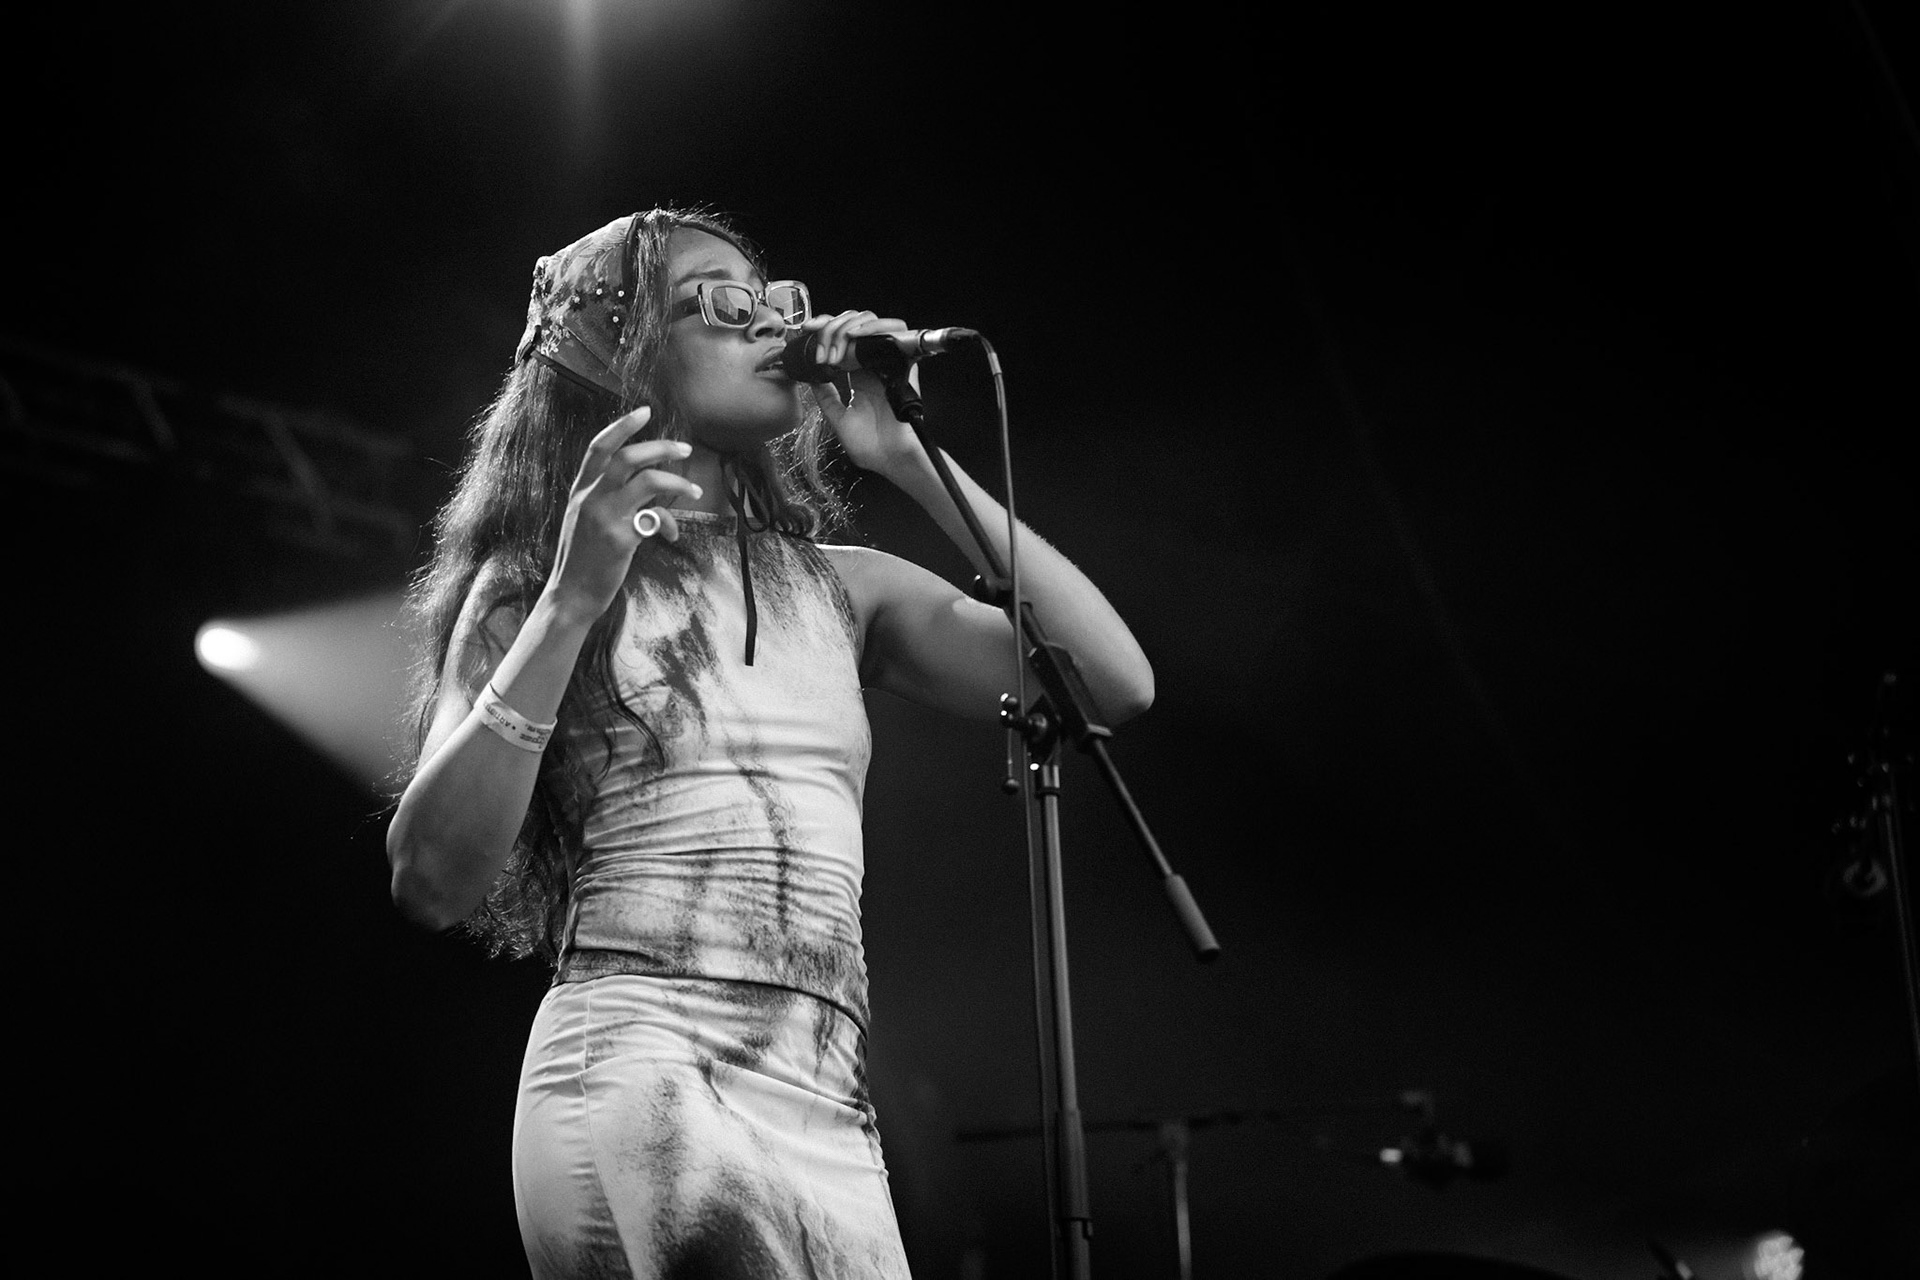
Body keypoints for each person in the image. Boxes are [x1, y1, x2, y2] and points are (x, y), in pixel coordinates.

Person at [386, 206, 1153, 1279]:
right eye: (719, 306)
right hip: (645, 1043)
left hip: (824, 1084)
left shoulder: (841, 588)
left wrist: (907, 457)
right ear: (620, 354)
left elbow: (1110, 681)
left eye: (770, 300)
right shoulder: (534, 590)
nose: (765, 327)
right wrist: (572, 601)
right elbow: (432, 876)